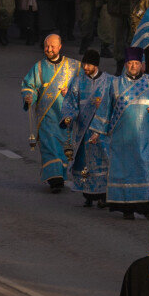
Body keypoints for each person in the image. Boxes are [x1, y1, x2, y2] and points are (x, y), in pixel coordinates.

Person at [89, 48, 149, 219]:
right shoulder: (115, 84)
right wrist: (97, 131)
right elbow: (105, 108)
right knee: (123, 172)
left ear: (142, 65)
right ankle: (126, 208)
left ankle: (146, 206)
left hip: (146, 139)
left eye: (136, 63)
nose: (133, 66)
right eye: (130, 63)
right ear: (126, 64)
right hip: (121, 139)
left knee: (146, 170)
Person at [21, 34, 78, 191]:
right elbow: (29, 85)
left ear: (60, 47)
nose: (49, 49)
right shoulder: (39, 67)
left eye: (53, 46)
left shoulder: (73, 66)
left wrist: (72, 91)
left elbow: (83, 86)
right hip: (47, 116)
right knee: (49, 146)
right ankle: (55, 180)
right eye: (47, 46)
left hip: (65, 117)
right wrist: (29, 95)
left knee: (62, 148)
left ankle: (60, 175)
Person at [61, 50, 114, 206]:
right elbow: (70, 101)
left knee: (103, 162)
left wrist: (104, 105)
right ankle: (88, 196)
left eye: (89, 64)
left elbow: (117, 101)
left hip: (101, 131)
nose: (85, 67)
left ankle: (103, 196)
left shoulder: (109, 81)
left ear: (96, 65)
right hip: (84, 131)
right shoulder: (77, 81)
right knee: (85, 163)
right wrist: (68, 116)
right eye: (84, 63)